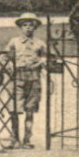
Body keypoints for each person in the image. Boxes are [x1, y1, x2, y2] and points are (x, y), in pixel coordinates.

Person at [7, 13, 49, 148]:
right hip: (17, 77)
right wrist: (8, 65)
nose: (28, 28)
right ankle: (14, 138)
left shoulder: (39, 43)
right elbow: (5, 57)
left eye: (31, 25)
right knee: (14, 108)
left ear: (35, 27)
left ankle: (27, 139)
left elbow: (47, 58)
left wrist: (42, 62)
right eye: (25, 25)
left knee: (30, 109)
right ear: (20, 27)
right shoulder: (14, 42)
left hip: (33, 77)